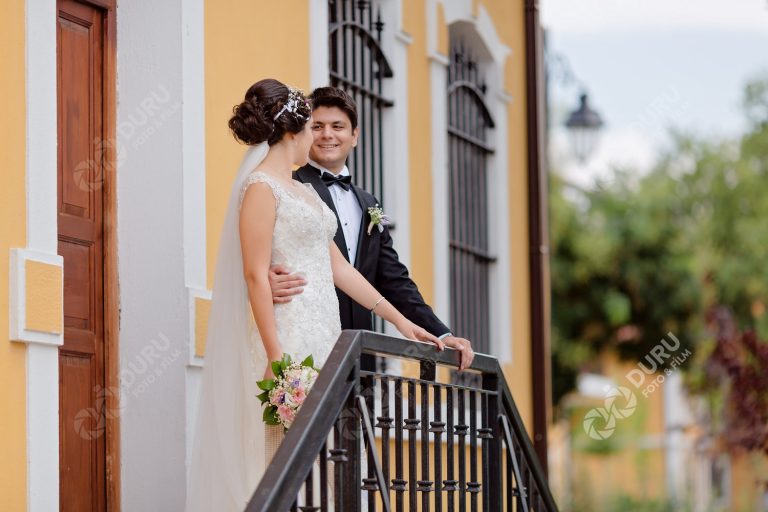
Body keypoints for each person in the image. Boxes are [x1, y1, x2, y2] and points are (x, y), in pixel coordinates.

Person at [185, 79, 444, 511]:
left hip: (326, 338)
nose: (318, 138)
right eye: (312, 128)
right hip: (287, 340)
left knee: (327, 463)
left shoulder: (300, 191)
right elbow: (253, 275)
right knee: (285, 458)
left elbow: (339, 267)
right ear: (293, 132)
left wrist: (402, 323)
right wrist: (275, 357)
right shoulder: (260, 188)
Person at [269, 86, 474, 370]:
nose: (327, 134)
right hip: (304, 341)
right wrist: (267, 278)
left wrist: (441, 332)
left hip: (361, 351)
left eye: (337, 126)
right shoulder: (286, 188)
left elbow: (393, 279)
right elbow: (259, 253)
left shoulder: (369, 203)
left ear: (355, 136)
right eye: (317, 126)